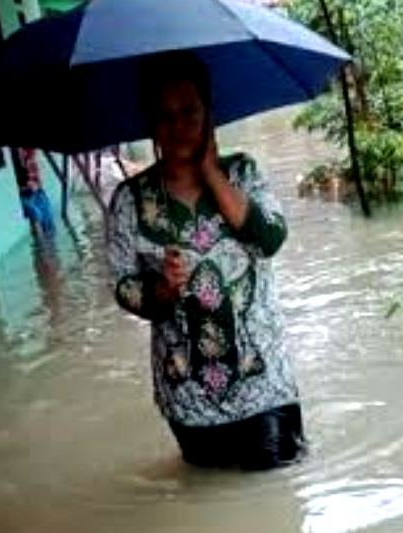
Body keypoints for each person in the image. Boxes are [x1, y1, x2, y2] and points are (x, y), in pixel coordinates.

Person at [107, 51, 305, 470]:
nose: (178, 126)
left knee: (277, 497)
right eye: (165, 115)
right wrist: (161, 288)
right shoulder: (129, 200)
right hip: (189, 396)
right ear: (151, 124)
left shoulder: (243, 173)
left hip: (263, 383)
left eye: (189, 111)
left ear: (209, 112)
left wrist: (213, 173)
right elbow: (123, 284)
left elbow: (271, 237)